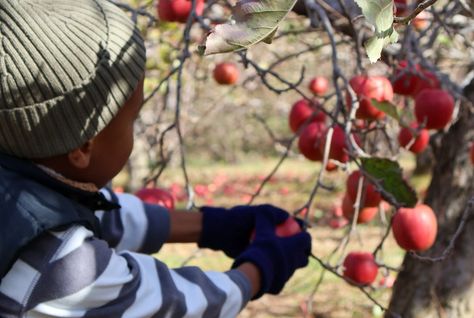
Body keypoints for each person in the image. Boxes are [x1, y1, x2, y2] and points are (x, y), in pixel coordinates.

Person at [0, 1, 312, 317]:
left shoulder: (18, 180)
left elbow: (91, 211)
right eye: (131, 119)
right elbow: (171, 305)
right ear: (82, 147)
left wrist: (211, 225)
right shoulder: (57, 263)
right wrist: (259, 269)